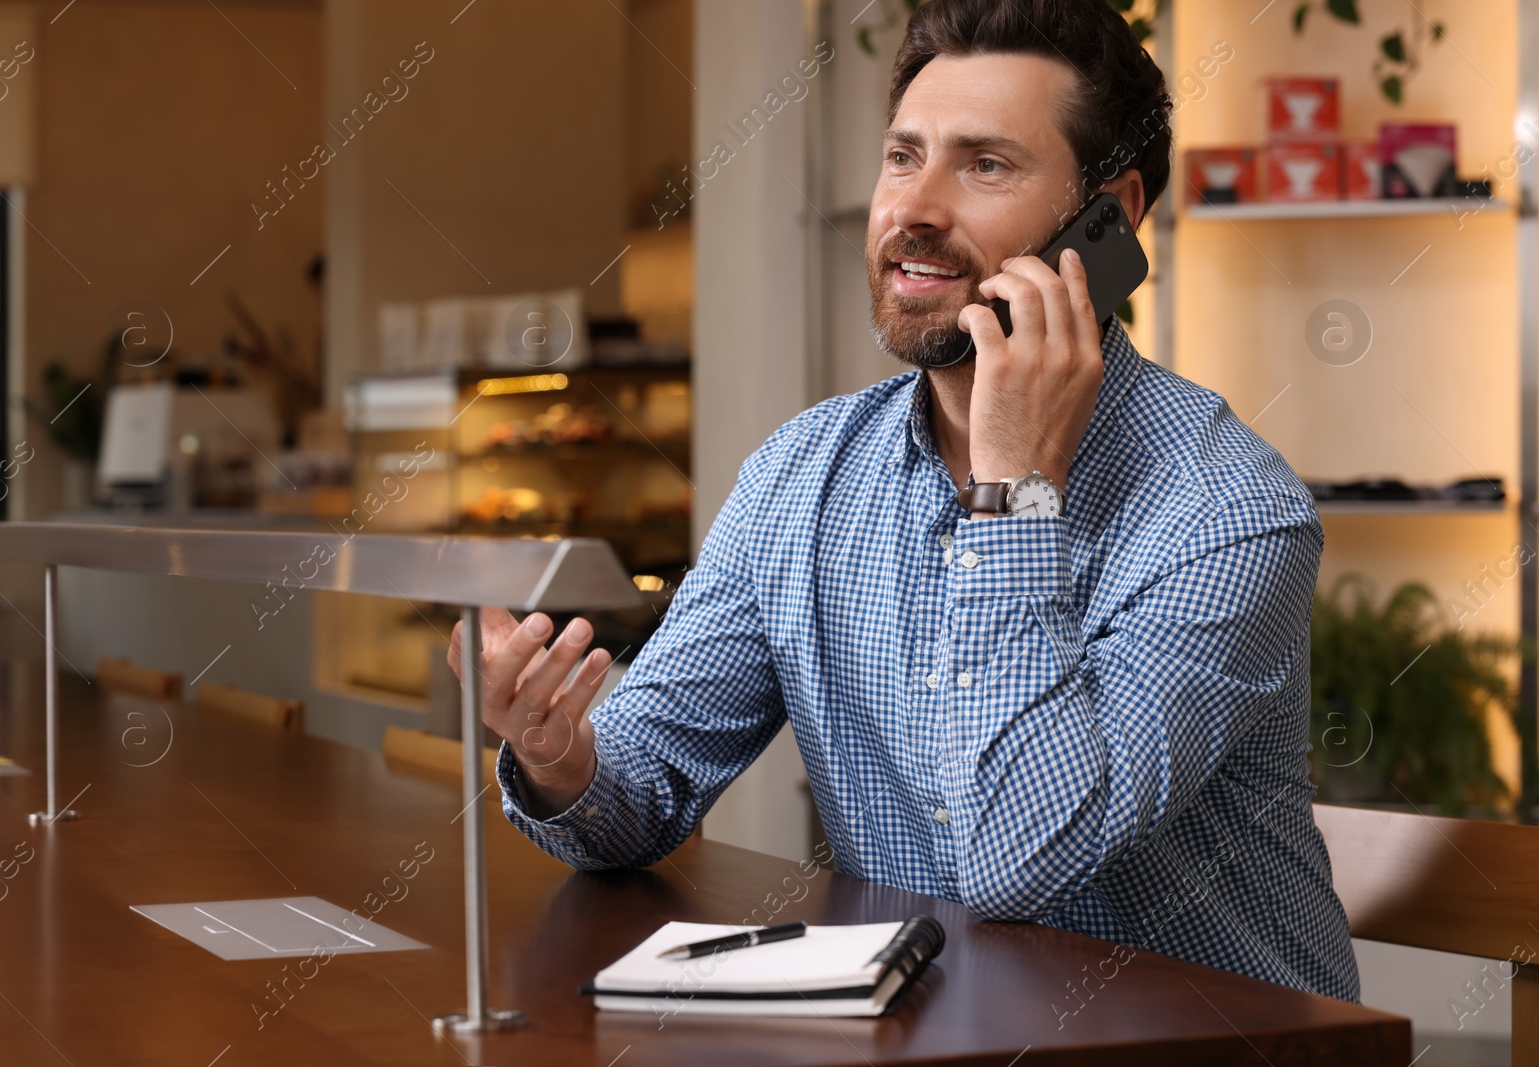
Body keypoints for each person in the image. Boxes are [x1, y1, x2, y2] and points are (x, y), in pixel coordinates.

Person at [448, 0, 1359, 1002]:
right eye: (901, 156)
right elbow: (642, 791)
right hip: (936, 1030)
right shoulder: (799, 475)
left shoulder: (1227, 510)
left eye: (985, 165)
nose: (913, 209)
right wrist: (559, 756)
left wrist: (1012, 487)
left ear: (1113, 216)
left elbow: (1020, 861)